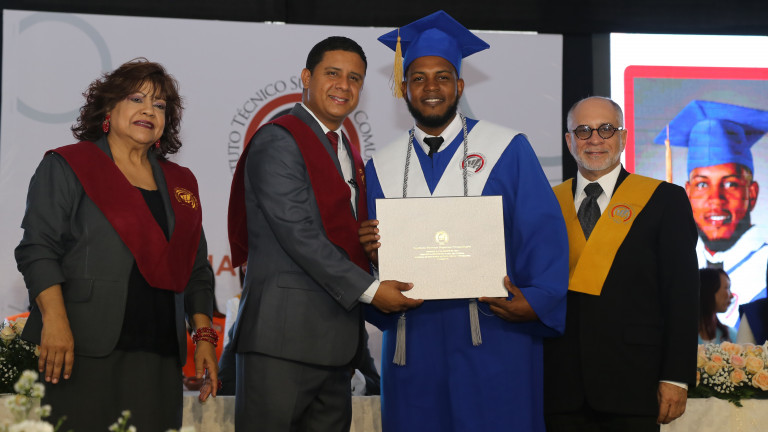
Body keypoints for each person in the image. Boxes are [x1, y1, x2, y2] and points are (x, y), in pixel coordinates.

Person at [360, 11, 569, 432]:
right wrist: (371, 254)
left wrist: (537, 300)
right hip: (413, 344)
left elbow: (542, 234)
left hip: (493, 337)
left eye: (442, 77)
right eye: (418, 78)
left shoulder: (506, 148)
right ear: (404, 88)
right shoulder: (381, 166)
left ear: (459, 85)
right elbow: (375, 268)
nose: (430, 87)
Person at [227, 36, 421, 431]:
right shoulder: (278, 139)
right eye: (333, 73)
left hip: (338, 345)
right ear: (306, 77)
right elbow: (299, 235)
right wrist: (372, 290)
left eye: (355, 78)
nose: (343, 86)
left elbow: (346, 236)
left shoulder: (348, 152)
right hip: (281, 341)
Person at [14, 58, 217, 431]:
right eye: (136, 99)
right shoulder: (68, 165)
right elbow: (37, 249)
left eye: (159, 105)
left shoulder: (181, 183)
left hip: (159, 356)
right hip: (81, 348)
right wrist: (55, 322)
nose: (148, 110)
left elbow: (196, 269)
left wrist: (203, 337)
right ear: (108, 107)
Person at [544, 96, 699, 431]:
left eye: (606, 129)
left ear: (623, 137)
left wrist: (676, 376)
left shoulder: (664, 201)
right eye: (583, 131)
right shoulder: (546, 204)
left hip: (635, 381)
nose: (595, 139)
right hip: (560, 384)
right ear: (569, 140)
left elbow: (682, 295)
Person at [654, 100, 768, 326]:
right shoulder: (673, 262)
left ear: (752, 193)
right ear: (687, 194)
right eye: (702, 185)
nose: (716, 199)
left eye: (730, 184)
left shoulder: (763, 265)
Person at [698, 268, 736, 343]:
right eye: (727, 288)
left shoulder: (731, 336)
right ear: (709, 290)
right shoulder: (681, 335)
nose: (732, 296)